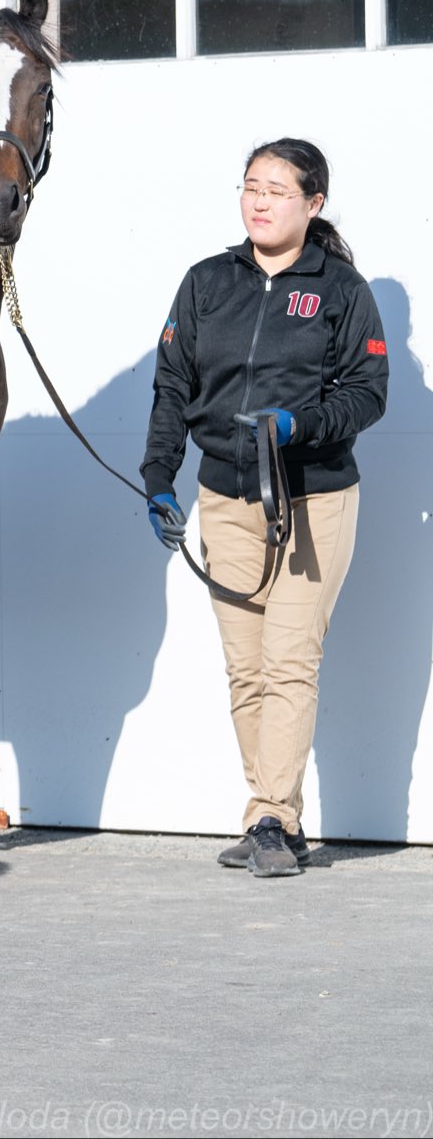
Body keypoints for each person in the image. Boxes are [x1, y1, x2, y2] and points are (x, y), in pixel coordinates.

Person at [141, 138, 386, 878]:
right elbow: (172, 386)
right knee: (246, 670)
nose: (259, 200)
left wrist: (298, 426)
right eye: (251, 186)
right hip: (226, 498)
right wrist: (158, 475)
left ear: (313, 204)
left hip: (313, 498)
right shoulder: (206, 283)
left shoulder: (340, 289)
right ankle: (276, 818)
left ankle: (271, 818)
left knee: (287, 661)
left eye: (278, 189)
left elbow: (368, 394)